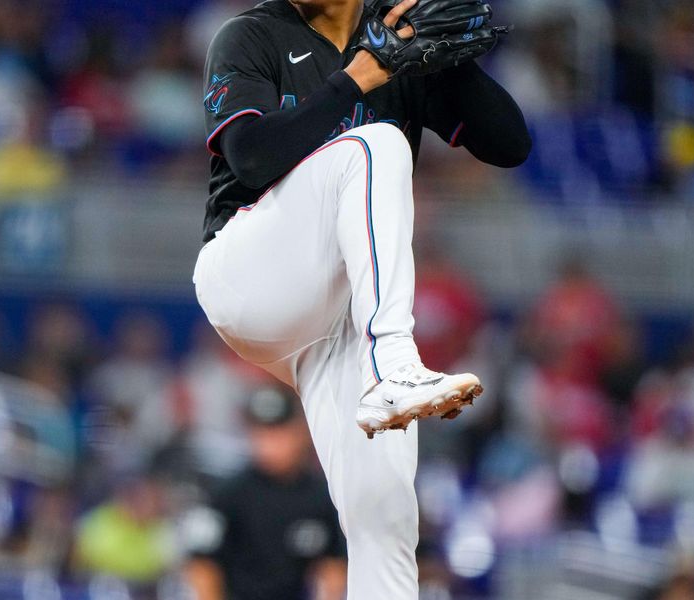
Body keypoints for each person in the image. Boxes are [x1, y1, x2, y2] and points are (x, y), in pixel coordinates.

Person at [192, 0, 531, 596]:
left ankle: (388, 373)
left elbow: (510, 145)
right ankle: (394, 364)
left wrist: (446, 63)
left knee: (386, 513)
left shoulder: (396, 38)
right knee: (375, 144)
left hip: (336, 321)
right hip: (248, 274)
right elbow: (250, 157)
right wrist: (359, 77)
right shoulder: (251, 35)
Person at [182, 385, 347, 600]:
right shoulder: (226, 495)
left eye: (279, 431)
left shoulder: (323, 495)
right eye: (262, 432)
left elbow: (333, 567)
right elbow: (202, 565)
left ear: (300, 432)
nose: (270, 443)